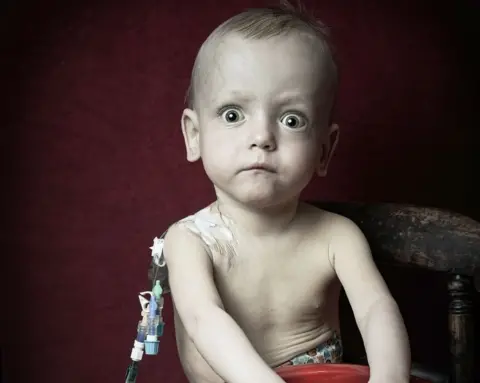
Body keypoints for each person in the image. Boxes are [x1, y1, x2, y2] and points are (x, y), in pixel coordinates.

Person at [148, 2, 411, 382]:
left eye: (291, 119)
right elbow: (204, 319)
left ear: (324, 150)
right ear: (194, 135)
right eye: (233, 114)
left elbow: (376, 310)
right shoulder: (189, 240)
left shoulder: (336, 235)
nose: (262, 138)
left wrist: (389, 378)